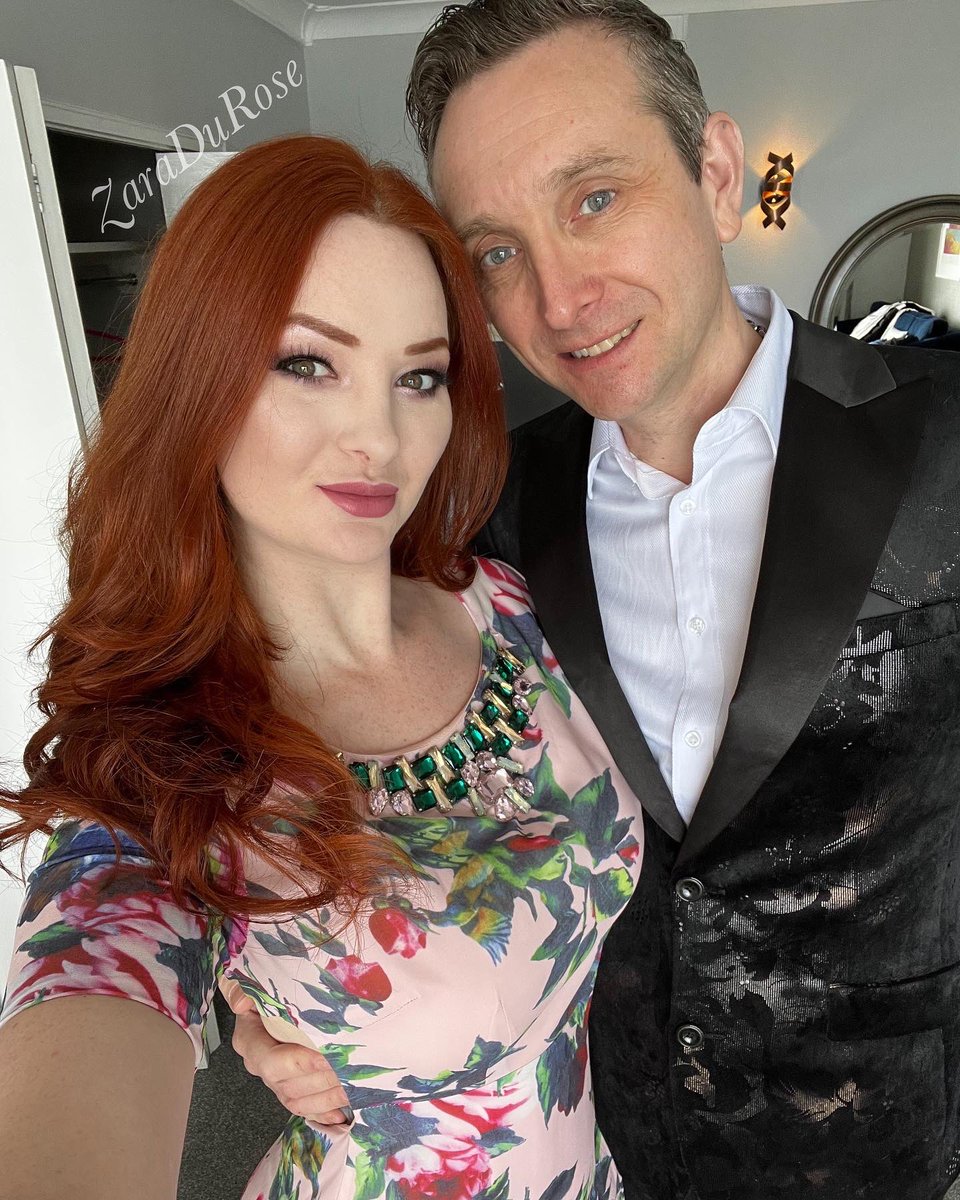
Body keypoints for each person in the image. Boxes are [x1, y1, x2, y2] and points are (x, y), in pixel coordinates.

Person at [232, 4, 960, 1199]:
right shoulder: (480, 510)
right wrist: (257, 994)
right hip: (610, 1140)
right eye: (497, 252)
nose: (559, 300)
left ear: (716, 174)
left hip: (881, 1147)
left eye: (595, 198)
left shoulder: (943, 435)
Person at [0, 135, 646, 1199]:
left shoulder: (508, 603)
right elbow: (97, 966)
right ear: (197, 379)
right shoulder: (166, 760)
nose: (377, 436)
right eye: (308, 363)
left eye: (419, 377)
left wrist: (274, 1010)